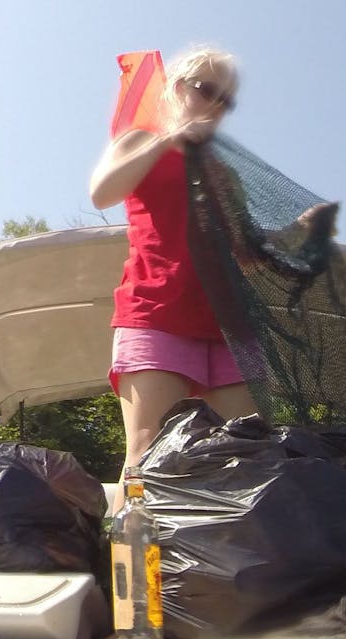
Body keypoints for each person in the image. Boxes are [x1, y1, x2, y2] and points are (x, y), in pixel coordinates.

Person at [89, 47, 259, 481]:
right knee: (146, 455)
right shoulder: (139, 140)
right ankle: (139, 553)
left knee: (245, 456)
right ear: (177, 87)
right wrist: (170, 137)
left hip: (228, 326)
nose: (216, 106)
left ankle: (218, 551)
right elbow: (102, 192)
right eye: (207, 91)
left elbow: (247, 254)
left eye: (227, 100)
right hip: (155, 311)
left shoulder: (227, 173)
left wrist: (299, 235)